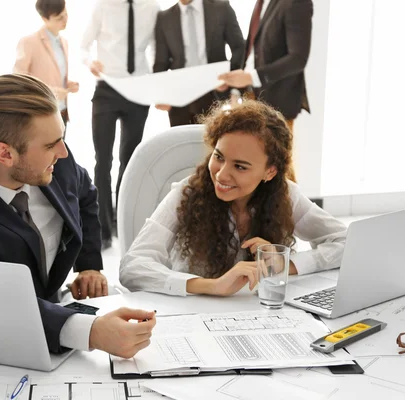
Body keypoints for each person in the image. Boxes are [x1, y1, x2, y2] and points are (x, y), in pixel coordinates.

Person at [0, 74, 156, 357]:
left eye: (62, 139)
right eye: (50, 145)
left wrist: (89, 265)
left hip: (54, 321)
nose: (63, 152)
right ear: (4, 154)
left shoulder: (58, 161)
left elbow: (86, 196)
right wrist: (90, 332)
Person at [119, 100, 346, 296]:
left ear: (270, 172)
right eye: (218, 157)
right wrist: (212, 286)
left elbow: (346, 242)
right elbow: (132, 267)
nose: (221, 174)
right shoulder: (187, 192)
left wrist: (284, 264)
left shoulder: (286, 194)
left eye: (240, 166)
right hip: (194, 314)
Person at [80, 0, 160, 249]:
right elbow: (83, 46)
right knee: (103, 160)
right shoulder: (102, 6)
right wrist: (89, 62)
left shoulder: (152, 7)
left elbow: (158, 48)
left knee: (130, 159)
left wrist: (159, 84)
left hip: (138, 90)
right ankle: (102, 226)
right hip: (107, 88)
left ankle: (120, 220)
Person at [218, 0, 313, 131]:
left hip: (277, 105)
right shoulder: (261, 3)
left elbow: (297, 59)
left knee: (274, 151)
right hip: (250, 99)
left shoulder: (296, 3)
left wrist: (253, 77)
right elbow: (253, 52)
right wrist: (236, 86)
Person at [153, 0, 245, 126]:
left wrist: (230, 80)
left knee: (215, 143)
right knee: (182, 143)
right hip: (180, 98)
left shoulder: (221, 8)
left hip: (215, 93)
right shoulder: (164, 17)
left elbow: (239, 47)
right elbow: (161, 62)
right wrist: (160, 93)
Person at [14, 0, 78, 130]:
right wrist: (51, 91)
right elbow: (18, 81)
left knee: (61, 149)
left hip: (61, 111)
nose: (65, 19)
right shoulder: (29, 42)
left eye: (66, 14)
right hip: (41, 113)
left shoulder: (64, 42)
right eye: (59, 18)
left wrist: (67, 84)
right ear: (44, 18)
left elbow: (52, 73)